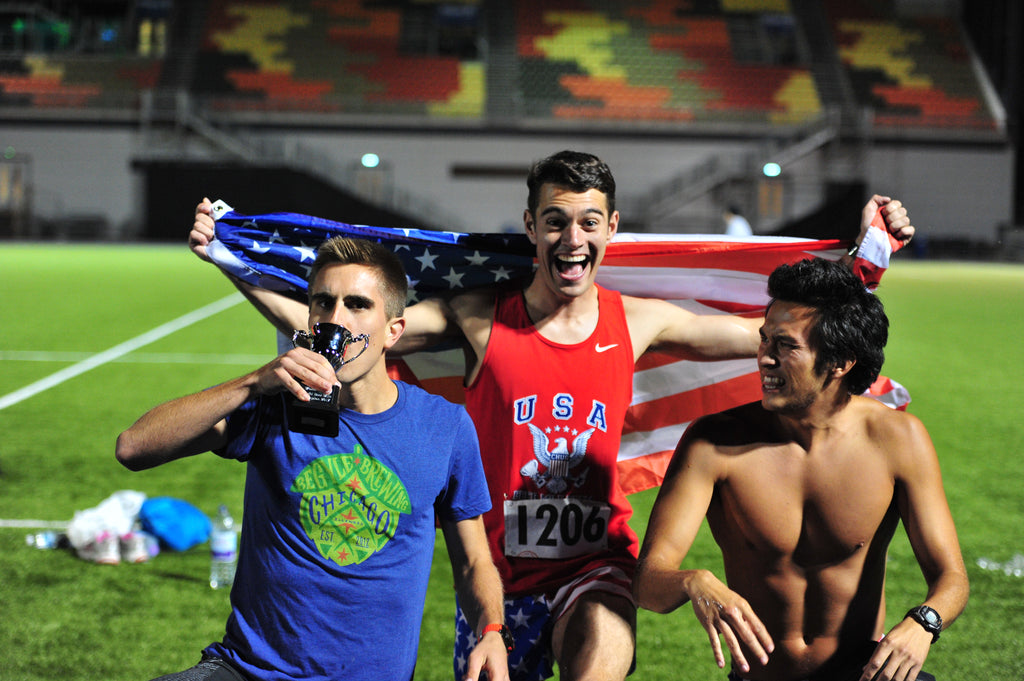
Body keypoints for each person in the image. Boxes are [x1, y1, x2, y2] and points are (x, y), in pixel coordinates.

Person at [187, 150, 915, 681]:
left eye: (590, 222)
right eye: (557, 220)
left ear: (613, 228)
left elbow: (775, 328)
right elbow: (353, 332)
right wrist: (229, 257)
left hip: (595, 566)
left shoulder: (639, 320)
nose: (573, 238)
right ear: (531, 226)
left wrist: (863, 261)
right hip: (495, 580)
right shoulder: (482, 319)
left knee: (601, 650)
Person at [115, 237, 510, 681]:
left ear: (394, 331)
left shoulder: (444, 425)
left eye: (358, 305)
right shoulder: (273, 402)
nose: (336, 320)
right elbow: (133, 448)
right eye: (324, 302)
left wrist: (492, 630)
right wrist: (253, 382)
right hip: (250, 672)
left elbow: (473, 561)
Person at [632, 257, 968, 681]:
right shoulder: (713, 441)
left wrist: (924, 623)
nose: (764, 359)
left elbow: (951, 577)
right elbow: (647, 585)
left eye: (785, 346)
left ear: (841, 361)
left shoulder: (898, 439)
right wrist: (692, 581)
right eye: (764, 339)